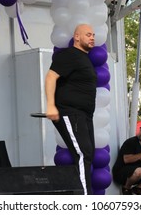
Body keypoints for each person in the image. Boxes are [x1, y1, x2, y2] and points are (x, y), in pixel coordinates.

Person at [45, 23, 97, 195]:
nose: (92, 37)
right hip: (70, 111)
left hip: (84, 115)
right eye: (88, 34)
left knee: (87, 155)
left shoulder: (84, 58)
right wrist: (51, 105)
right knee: (83, 154)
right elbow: (51, 77)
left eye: (93, 35)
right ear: (77, 37)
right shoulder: (69, 54)